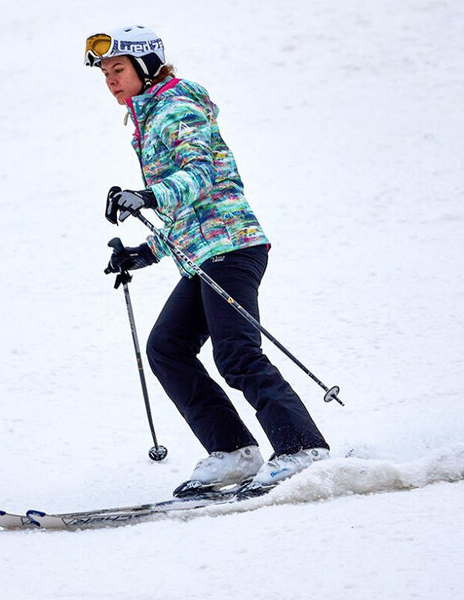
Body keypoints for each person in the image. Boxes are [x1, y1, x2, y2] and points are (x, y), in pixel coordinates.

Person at [86, 25, 330, 497]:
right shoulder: (149, 119)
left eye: (118, 69)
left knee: (236, 352)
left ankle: (303, 448)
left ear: (145, 67)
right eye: (105, 74)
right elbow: (190, 208)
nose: (111, 80)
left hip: (232, 246)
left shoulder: (176, 107)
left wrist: (147, 196)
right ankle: (234, 451)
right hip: (203, 253)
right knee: (167, 347)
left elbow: (201, 174)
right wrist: (144, 253)